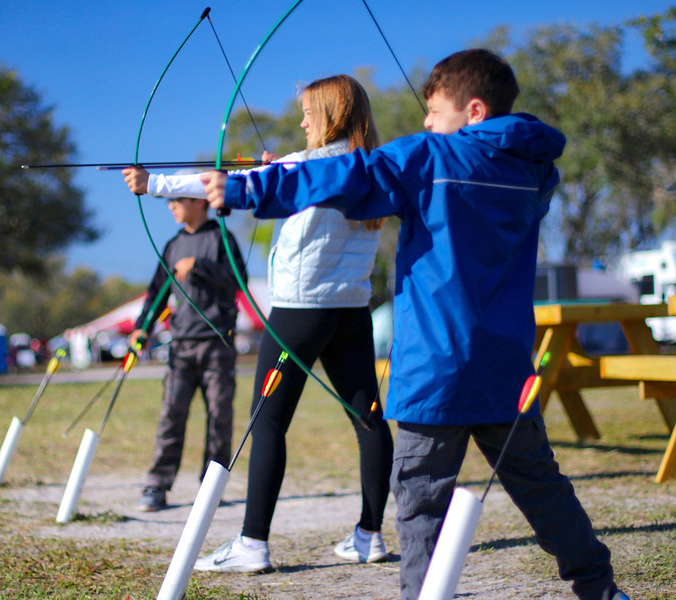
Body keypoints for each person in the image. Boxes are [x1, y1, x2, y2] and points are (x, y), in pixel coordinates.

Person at [203, 50, 628, 600]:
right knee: (541, 485)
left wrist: (248, 188)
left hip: (435, 370)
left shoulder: (430, 156)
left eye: (433, 111)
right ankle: (600, 590)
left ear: (473, 110)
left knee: (421, 499)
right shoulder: (535, 172)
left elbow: (350, 173)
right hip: (505, 368)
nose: (425, 122)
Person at [122, 74, 395, 573]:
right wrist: (281, 172)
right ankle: (369, 536)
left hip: (298, 313)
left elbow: (228, 186)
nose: (301, 120)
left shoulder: (305, 165)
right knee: (369, 419)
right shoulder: (372, 168)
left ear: (331, 114)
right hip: (352, 309)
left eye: (309, 112)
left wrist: (153, 183)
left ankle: (252, 544)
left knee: (267, 423)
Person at [129, 182, 246, 513]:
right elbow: (156, 291)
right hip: (181, 346)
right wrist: (142, 327)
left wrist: (199, 266)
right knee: (171, 414)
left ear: (198, 201)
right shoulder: (173, 245)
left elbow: (239, 279)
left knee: (219, 417)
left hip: (217, 345)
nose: (170, 207)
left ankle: (211, 487)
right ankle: (157, 484)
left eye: (176, 200)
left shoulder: (222, 238)